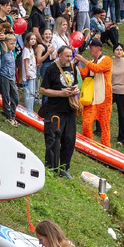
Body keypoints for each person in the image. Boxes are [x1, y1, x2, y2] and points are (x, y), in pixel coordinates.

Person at [40, 45, 79, 176]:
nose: (69, 59)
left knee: (69, 140)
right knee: (53, 139)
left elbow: (76, 84)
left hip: (69, 110)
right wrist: (60, 93)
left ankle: (64, 168)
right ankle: (51, 167)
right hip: (55, 110)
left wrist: (76, 90)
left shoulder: (73, 67)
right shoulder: (51, 69)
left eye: (71, 56)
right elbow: (43, 90)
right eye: (67, 56)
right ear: (59, 55)